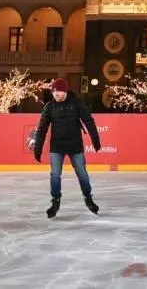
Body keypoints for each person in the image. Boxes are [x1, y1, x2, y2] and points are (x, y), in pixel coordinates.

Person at [33, 78, 101, 218]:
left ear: (65, 92)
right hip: (57, 147)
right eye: (54, 93)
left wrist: (95, 140)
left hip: (75, 146)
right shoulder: (49, 107)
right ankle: (55, 200)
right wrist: (37, 148)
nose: (56, 95)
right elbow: (41, 129)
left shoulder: (76, 103)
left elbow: (88, 120)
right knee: (55, 175)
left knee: (82, 173)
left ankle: (88, 197)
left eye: (59, 92)